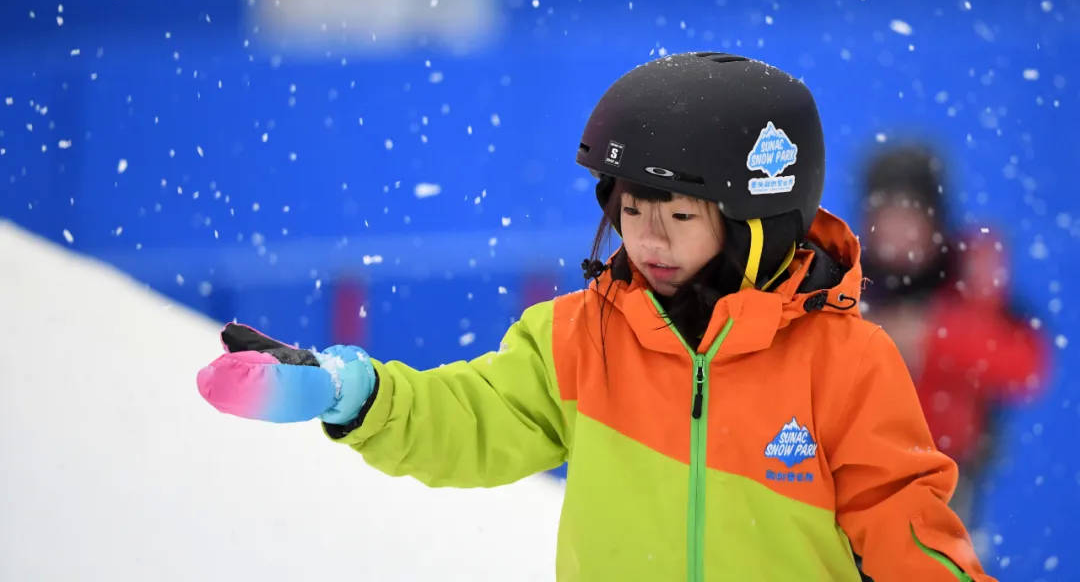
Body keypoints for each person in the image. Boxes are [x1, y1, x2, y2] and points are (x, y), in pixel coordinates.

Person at [197, 53, 994, 581]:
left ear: (758, 225)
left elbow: (906, 527)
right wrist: (353, 390)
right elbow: (468, 418)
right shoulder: (582, 338)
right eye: (632, 210)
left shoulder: (843, 361)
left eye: (678, 217)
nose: (648, 237)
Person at [858, 144, 1047, 527]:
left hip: (949, 490)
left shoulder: (970, 284)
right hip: (855, 483)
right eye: (885, 214)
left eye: (910, 214)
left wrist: (933, 335)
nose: (897, 230)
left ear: (936, 221)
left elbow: (1027, 365)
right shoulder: (844, 279)